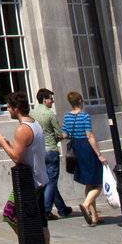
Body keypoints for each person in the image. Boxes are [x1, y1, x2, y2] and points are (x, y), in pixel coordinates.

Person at [0, 91, 50, 244]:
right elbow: (23, 153)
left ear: (16, 108)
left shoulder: (23, 129)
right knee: (41, 222)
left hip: (28, 183)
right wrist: (9, 144)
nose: (7, 110)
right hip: (40, 179)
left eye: (9, 107)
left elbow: (17, 158)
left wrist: (1, 141)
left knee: (9, 214)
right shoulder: (35, 124)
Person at [63, 89, 105, 225]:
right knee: (98, 183)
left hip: (75, 149)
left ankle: (94, 217)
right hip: (86, 148)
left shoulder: (67, 117)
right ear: (80, 101)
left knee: (89, 183)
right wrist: (99, 154)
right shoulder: (84, 116)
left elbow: (65, 134)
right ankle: (86, 204)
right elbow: (90, 136)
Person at [32, 86, 73, 218]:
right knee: (51, 182)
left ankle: (62, 209)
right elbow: (59, 133)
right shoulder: (50, 114)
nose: (52, 101)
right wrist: (66, 135)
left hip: (38, 152)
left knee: (49, 181)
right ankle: (46, 210)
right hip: (51, 150)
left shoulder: (32, 113)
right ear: (44, 100)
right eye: (51, 99)